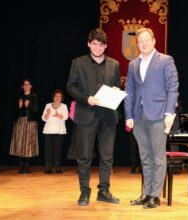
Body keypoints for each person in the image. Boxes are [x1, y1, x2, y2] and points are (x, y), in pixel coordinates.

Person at [125, 28, 179, 209]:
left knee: (158, 157)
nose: (144, 43)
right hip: (138, 117)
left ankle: (155, 195)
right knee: (145, 157)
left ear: (154, 41)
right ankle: (145, 193)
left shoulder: (165, 60)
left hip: (158, 114)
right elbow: (129, 92)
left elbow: (173, 87)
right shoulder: (133, 64)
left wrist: (169, 112)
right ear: (137, 44)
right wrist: (128, 115)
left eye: (147, 40)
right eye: (140, 41)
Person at [67, 28, 120, 206]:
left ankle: (103, 191)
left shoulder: (114, 64)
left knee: (107, 157)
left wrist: (116, 91)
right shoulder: (78, 63)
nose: (97, 47)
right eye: (94, 44)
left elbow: (117, 87)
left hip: (108, 117)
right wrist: (86, 98)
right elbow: (71, 87)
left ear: (105, 46)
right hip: (85, 116)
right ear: (89, 44)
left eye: (101, 44)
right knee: (84, 157)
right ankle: (84, 192)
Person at [9, 79, 39, 174]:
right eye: (24, 84)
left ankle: (26, 167)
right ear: (22, 87)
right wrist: (19, 106)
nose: (26, 86)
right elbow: (13, 112)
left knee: (28, 145)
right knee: (20, 144)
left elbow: (36, 110)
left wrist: (28, 106)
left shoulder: (34, 97)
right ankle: (21, 166)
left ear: (31, 86)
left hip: (30, 122)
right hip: (20, 122)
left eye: (28, 84)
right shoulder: (19, 96)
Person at [42, 89, 69, 174]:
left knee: (58, 150)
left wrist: (59, 115)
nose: (57, 98)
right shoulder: (48, 105)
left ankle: (58, 168)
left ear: (62, 98)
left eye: (59, 96)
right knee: (48, 150)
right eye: (56, 96)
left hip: (59, 131)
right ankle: (48, 168)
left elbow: (66, 117)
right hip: (48, 130)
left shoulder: (64, 106)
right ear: (53, 97)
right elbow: (43, 118)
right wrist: (48, 113)